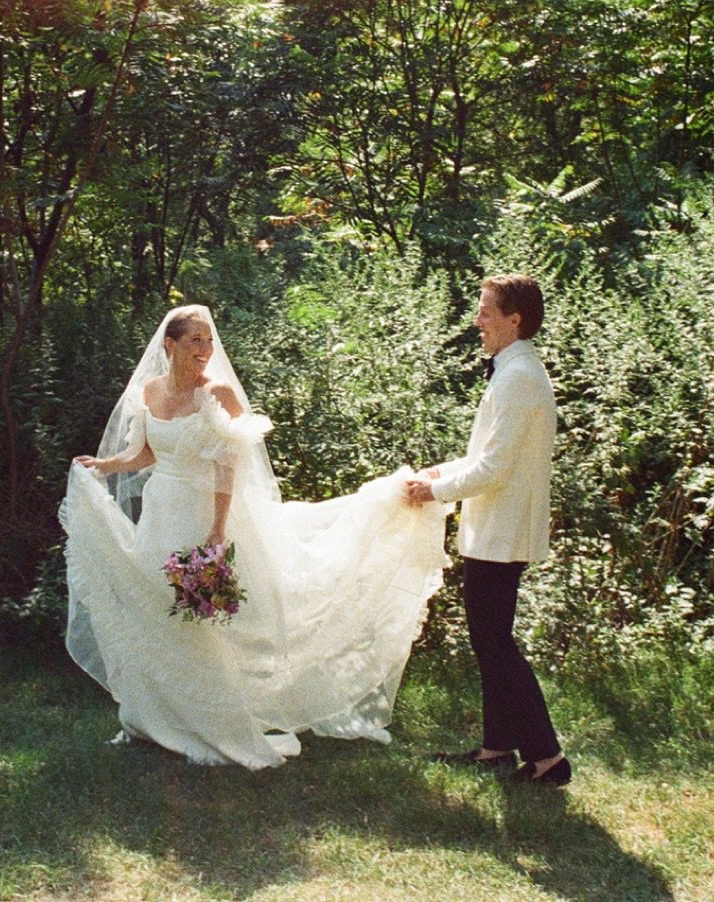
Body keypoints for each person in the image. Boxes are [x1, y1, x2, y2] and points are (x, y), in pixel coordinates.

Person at [60, 304, 448, 770]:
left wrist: (218, 531)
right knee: (158, 610)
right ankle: (157, 716)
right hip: (161, 512)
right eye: (195, 341)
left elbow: (230, 465)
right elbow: (144, 453)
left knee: (201, 624)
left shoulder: (218, 395)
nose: (205, 350)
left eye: (209, 341)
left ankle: (212, 722)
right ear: (170, 345)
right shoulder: (151, 390)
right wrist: (107, 466)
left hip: (204, 514)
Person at [406, 274, 570, 786]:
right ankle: (498, 746)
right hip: (494, 529)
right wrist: (440, 472)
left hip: (503, 532)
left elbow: (495, 470)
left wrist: (432, 492)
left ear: (513, 319)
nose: (478, 320)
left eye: (485, 311)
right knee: (490, 641)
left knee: (495, 643)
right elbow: (487, 456)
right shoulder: (515, 371)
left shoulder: (521, 376)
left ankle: (547, 758)